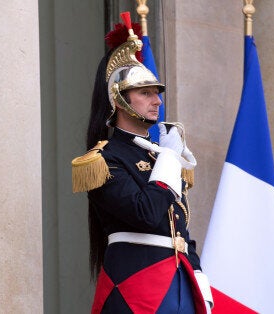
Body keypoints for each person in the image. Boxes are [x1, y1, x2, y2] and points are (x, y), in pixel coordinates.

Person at [71, 14, 213, 314]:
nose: (157, 101)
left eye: (157, 93)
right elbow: (146, 214)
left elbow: (180, 230)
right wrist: (170, 159)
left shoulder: (157, 155)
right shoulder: (104, 160)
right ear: (120, 99)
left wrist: (199, 278)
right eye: (145, 93)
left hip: (180, 282)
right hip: (135, 287)